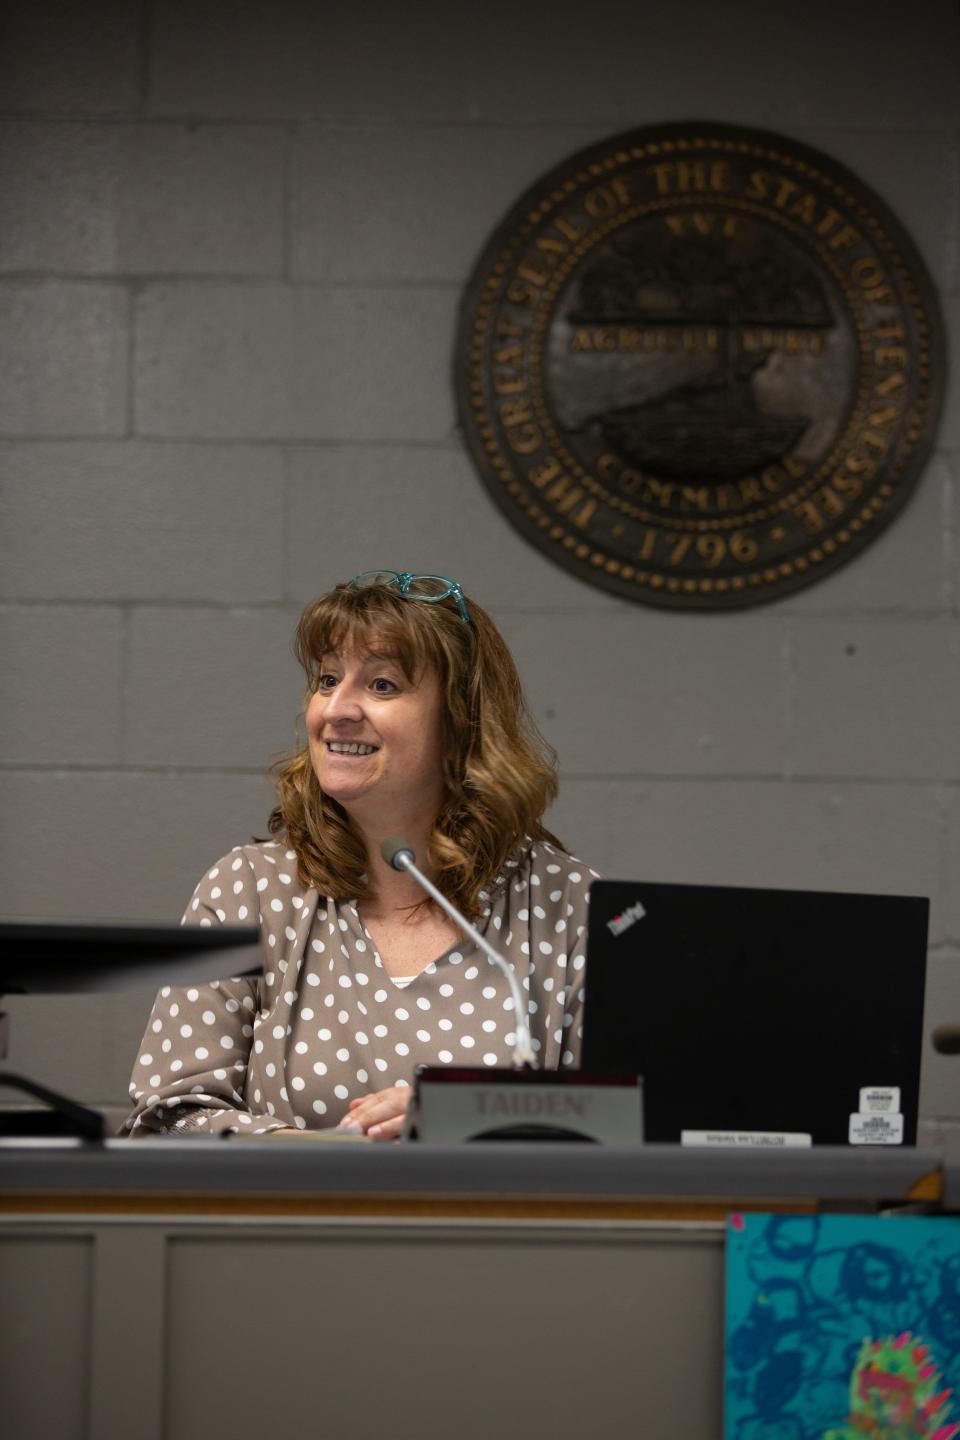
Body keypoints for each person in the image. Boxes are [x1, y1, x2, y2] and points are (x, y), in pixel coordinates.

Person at [123, 571, 596, 1140]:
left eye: (383, 686)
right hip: (295, 1225)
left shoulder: (569, 905)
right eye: (327, 680)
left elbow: (634, 1124)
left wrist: (467, 1120)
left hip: (494, 1227)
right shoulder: (249, 891)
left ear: (461, 723)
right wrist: (334, 1159)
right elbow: (170, 1117)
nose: (337, 710)